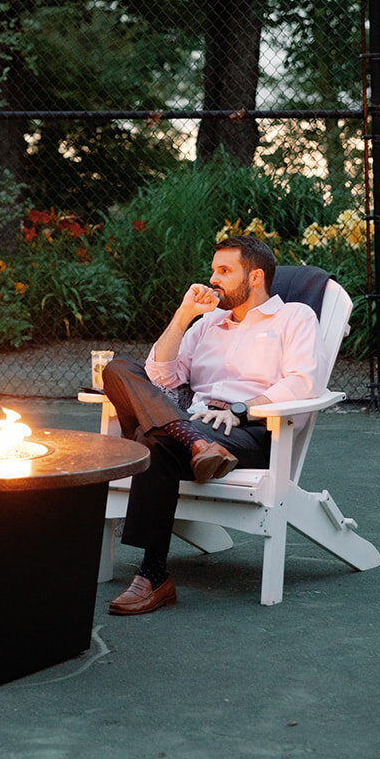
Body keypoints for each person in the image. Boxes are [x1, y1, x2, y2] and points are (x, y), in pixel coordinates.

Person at [101, 234, 322, 616]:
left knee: (154, 441)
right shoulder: (206, 325)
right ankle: (189, 440)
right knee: (119, 368)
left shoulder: (295, 317)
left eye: (224, 270)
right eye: (213, 269)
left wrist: (240, 408)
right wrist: (184, 314)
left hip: (247, 434)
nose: (213, 278)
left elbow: (302, 383)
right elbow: (160, 377)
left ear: (254, 277)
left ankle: (153, 574)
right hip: (191, 423)